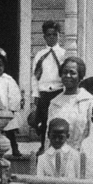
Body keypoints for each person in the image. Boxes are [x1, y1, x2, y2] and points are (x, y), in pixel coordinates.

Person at [45, 57, 93, 152]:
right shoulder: (55, 103)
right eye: (65, 72)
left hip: (81, 157)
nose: (67, 75)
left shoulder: (89, 102)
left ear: (80, 76)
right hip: (58, 156)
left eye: (72, 72)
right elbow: (48, 136)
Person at [30, 21, 66, 149]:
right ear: (44, 37)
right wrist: (35, 95)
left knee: (57, 120)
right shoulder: (40, 55)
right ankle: (43, 146)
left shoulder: (63, 54)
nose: (52, 37)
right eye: (48, 35)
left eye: (54, 35)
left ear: (58, 36)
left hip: (59, 91)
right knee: (44, 121)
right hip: (44, 93)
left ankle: (58, 146)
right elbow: (35, 77)